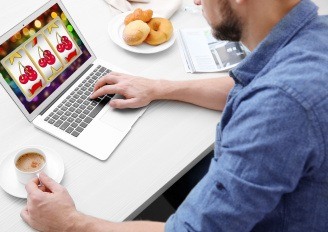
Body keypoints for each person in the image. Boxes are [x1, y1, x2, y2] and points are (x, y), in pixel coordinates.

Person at [21, 0, 328, 231]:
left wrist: (70, 221)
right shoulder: (316, 36)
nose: (195, 1)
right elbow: (255, 83)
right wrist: (158, 87)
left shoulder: (279, 107)